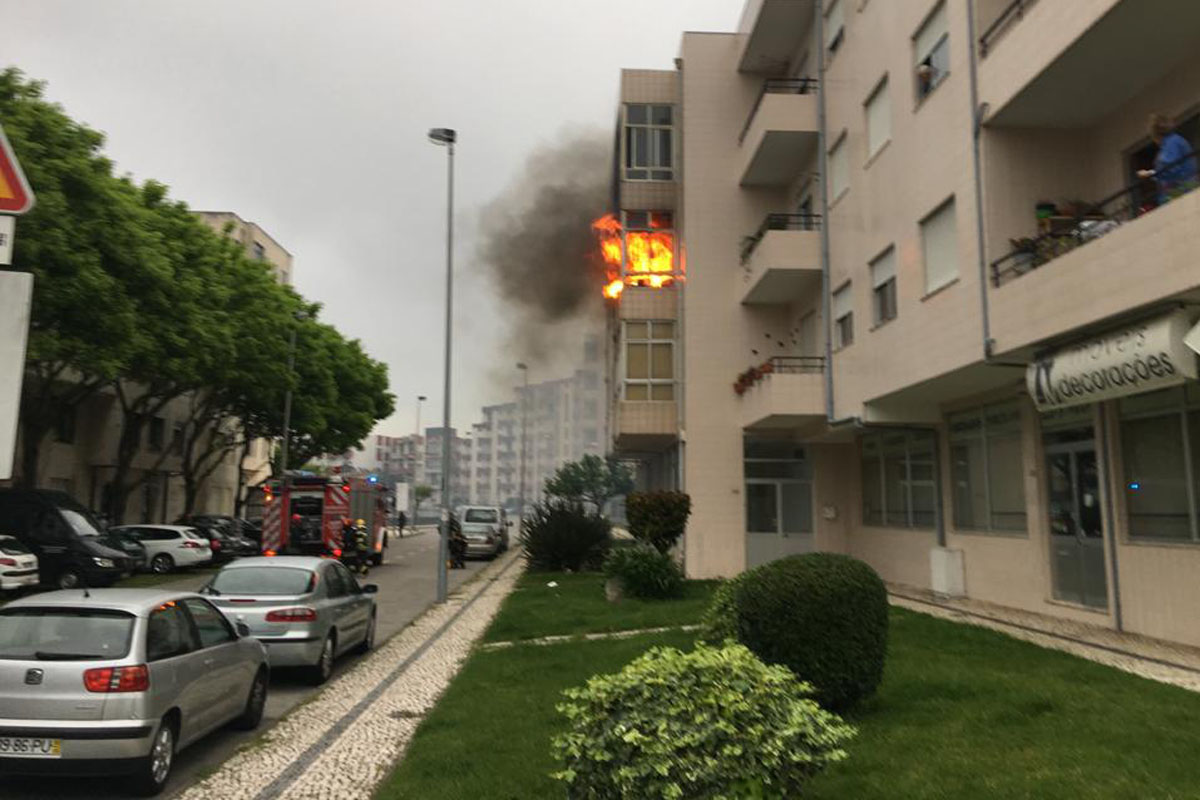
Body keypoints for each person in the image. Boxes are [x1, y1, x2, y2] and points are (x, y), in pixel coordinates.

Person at [1137, 114, 1198, 205]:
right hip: (1186, 187)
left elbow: (1169, 169)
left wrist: (1149, 173)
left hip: (1180, 191)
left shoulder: (1171, 143)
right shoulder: (1177, 141)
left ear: (1155, 133)